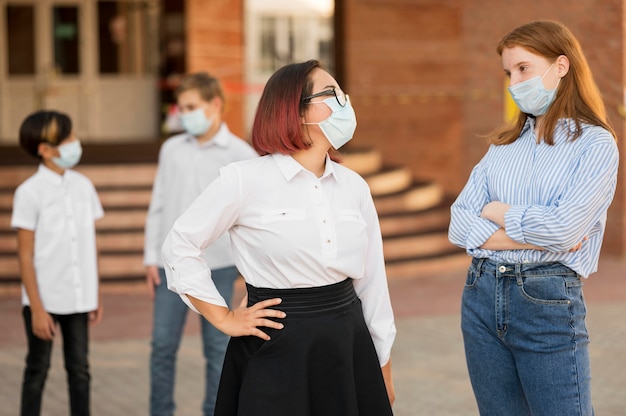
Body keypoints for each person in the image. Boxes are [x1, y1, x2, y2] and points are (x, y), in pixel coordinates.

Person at [161, 59, 396, 415]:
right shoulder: (243, 179)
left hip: (348, 345)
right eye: (332, 94)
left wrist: (383, 367)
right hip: (275, 344)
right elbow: (180, 245)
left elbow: (373, 284)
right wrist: (223, 317)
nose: (344, 102)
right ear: (296, 110)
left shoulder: (354, 186)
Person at [448, 21, 619, 416]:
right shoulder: (503, 147)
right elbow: (458, 223)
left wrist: (498, 212)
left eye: (523, 68)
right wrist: (546, 233)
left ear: (561, 65)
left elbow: (565, 229)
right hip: (480, 294)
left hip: (546, 298)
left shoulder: (594, 143)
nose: (513, 82)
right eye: (508, 73)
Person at [144, 71, 258, 416]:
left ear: (215, 105)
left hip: (219, 266)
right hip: (170, 267)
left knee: (218, 349)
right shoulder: (171, 149)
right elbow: (159, 202)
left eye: (191, 106)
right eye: (181, 107)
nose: (184, 113)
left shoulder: (241, 154)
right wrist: (151, 255)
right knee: (162, 346)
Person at [12, 110, 104, 416]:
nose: (74, 143)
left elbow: (89, 246)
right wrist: (37, 308)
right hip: (44, 299)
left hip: (78, 299)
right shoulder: (29, 193)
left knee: (80, 370)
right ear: (45, 149)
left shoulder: (84, 186)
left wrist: (94, 294)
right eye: (66, 139)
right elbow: (25, 254)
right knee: (37, 369)